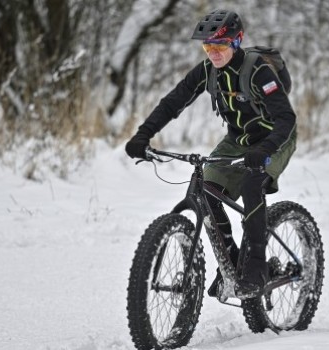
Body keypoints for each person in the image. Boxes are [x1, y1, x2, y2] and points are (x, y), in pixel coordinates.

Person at [125, 9, 297, 297]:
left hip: (275, 139)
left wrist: (265, 149)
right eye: (207, 47)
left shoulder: (258, 71)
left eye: (219, 46)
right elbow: (172, 103)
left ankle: (255, 266)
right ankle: (229, 263)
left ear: (236, 41)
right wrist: (143, 134)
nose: (213, 54)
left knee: (252, 183)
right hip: (237, 140)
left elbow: (286, 118)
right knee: (205, 189)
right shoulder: (207, 71)